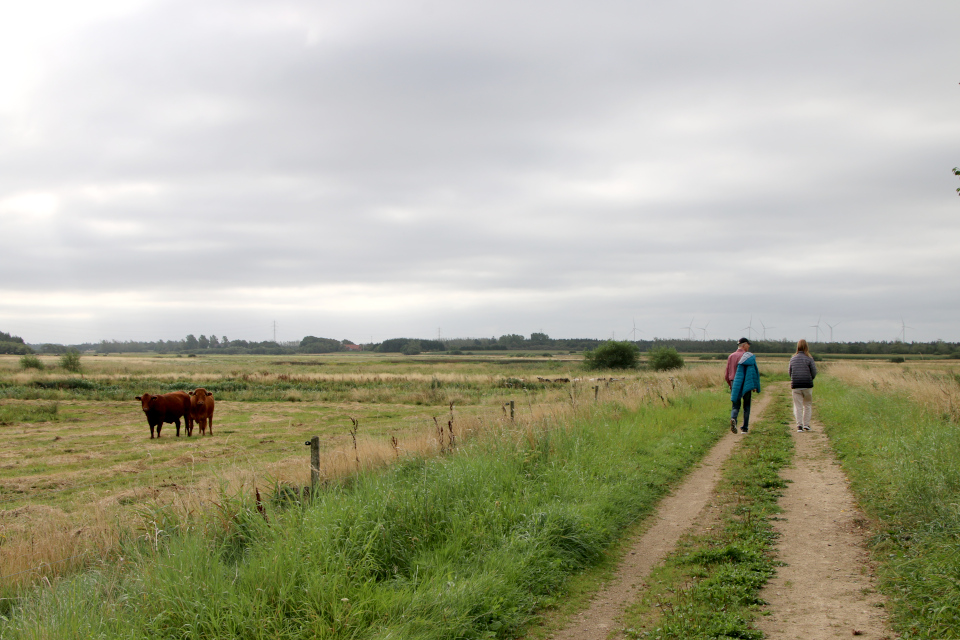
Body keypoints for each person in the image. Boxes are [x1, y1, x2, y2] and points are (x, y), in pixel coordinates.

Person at [727, 337, 761, 433]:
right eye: (748, 344)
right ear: (744, 344)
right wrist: (754, 385)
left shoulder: (731, 356)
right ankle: (745, 428)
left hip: (734, 382)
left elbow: (727, 372)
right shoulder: (748, 356)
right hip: (746, 382)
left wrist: (729, 383)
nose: (749, 346)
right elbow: (752, 372)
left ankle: (733, 418)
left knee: (735, 405)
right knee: (746, 405)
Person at [788, 338, 817, 432]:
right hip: (807, 385)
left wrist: (794, 379)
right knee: (807, 405)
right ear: (806, 347)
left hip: (796, 385)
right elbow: (814, 372)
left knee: (798, 406)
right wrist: (809, 378)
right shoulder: (809, 358)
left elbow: (790, 372)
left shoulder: (793, 359)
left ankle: (799, 425)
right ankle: (806, 424)